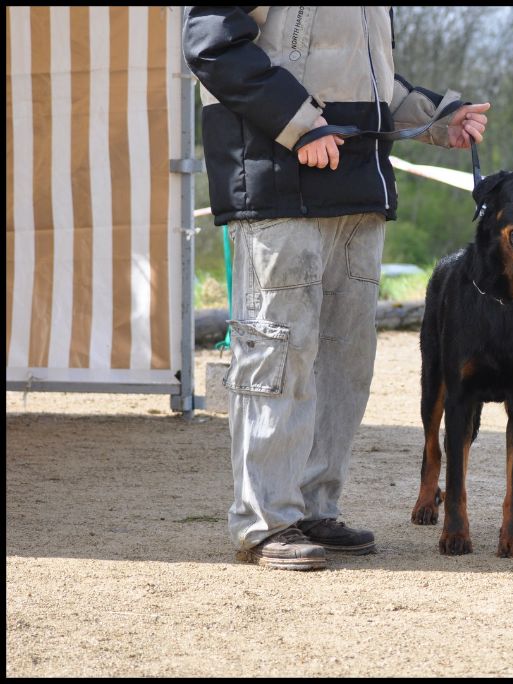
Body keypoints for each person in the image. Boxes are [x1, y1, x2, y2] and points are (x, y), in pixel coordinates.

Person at [183, 7, 490, 571]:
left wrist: (436, 118)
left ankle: (313, 509)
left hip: (358, 188)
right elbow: (212, 43)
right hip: (277, 180)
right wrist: (300, 125)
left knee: (346, 362)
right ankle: (265, 521)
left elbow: (365, 77)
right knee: (279, 355)